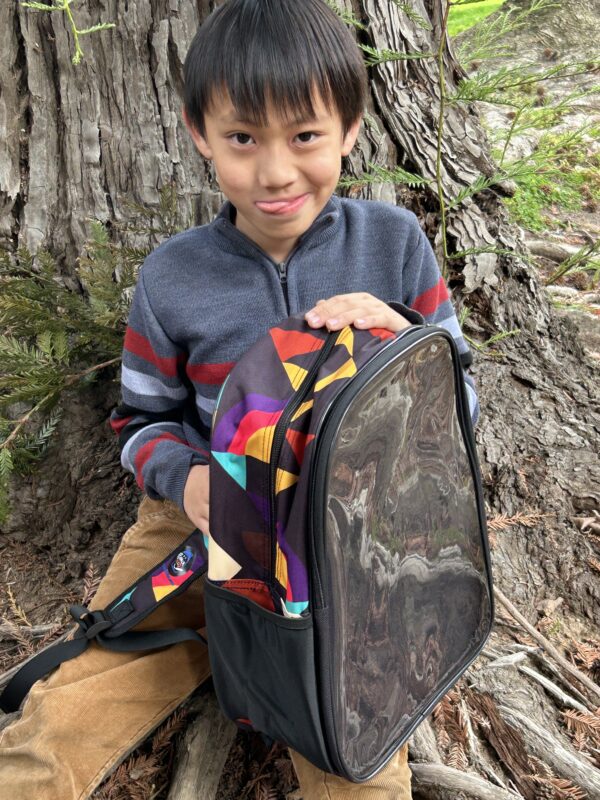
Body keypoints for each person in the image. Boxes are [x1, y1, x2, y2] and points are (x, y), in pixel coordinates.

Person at [0, 1, 479, 797]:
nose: (277, 171)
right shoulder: (174, 277)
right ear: (199, 134)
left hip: (352, 534)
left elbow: (459, 401)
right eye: (244, 138)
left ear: (351, 128)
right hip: (202, 522)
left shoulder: (394, 245)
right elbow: (141, 420)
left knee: (353, 753)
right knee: (65, 721)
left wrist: (403, 339)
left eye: (305, 136)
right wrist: (189, 484)